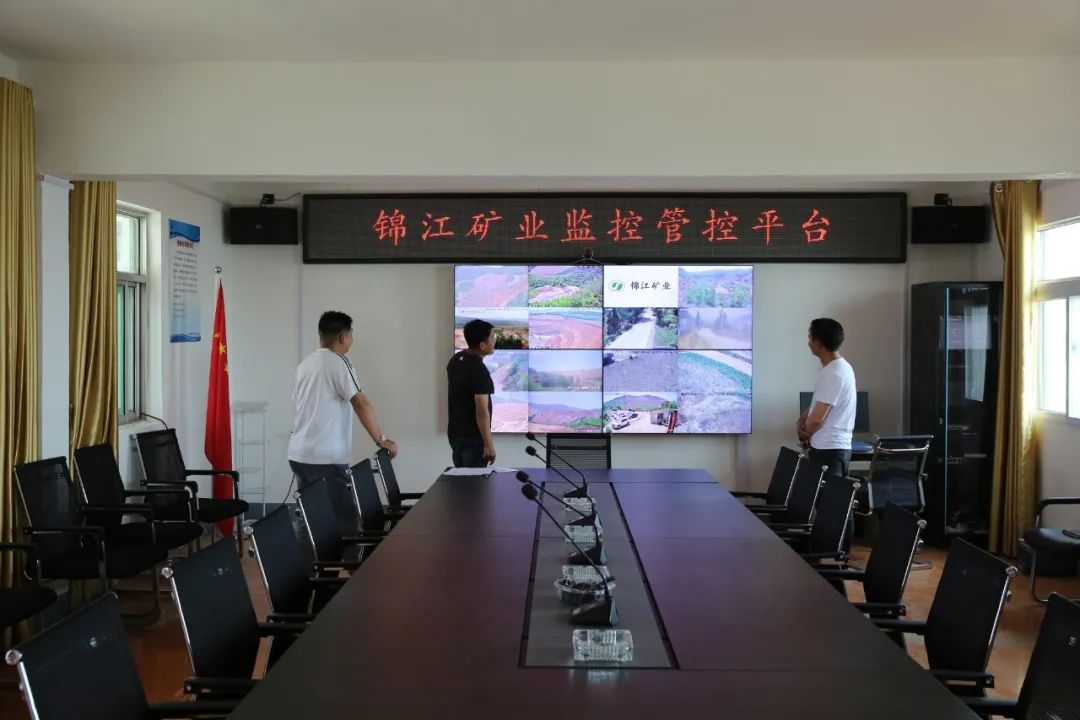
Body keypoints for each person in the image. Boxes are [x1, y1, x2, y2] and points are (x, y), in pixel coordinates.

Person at [287, 310, 398, 534]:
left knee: (314, 522)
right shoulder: (338, 361)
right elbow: (360, 403)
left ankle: (315, 558)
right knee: (345, 524)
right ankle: (351, 558)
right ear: (342, 338)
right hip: (325, 458)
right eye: (351, 335)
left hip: (299, 455)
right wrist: (381, 439)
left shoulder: (305, 364)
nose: (352, 340)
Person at [797, 318, 857, 479]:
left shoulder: (833, 373)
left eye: (810, 337)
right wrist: (802, 420)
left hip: (829, 451)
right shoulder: (838, 368)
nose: (808, 342)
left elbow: (817, 419)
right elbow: (820, 403)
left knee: (824, 495)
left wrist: (804, 433)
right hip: (829, 449)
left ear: (818, 343)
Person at [446, 319, 496, 468]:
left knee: (462, 480)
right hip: (473, 439)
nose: (494, 341)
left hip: (455, 435)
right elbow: (482, 411)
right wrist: (488, 444)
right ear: (482, 345)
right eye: (492, 338)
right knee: (474, 482)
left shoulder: (455, 360)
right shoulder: (479, 369)